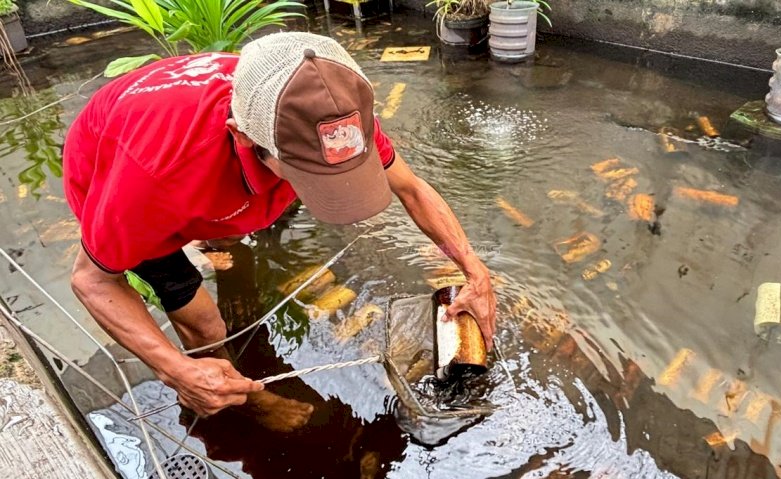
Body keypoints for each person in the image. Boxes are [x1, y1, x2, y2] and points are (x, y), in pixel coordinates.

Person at [62, 32, 496, 425]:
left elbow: (413, 189)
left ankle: (227, 237)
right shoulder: (154, 176)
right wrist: (176, 370)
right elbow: (93, 280)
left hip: (219, 170)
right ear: (243, 137)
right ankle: (241, 398)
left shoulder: (326, 115)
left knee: (234, 234)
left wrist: (474, 270)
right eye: (307, 174)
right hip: (120, 172)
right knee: (206, 326)